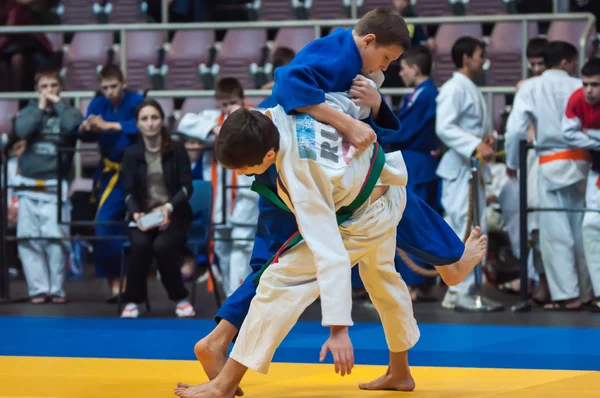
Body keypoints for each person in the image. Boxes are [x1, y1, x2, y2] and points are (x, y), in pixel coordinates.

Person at [184, 8, 475, 394]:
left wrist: (339, 329)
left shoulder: (301, 175)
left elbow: (331, 254)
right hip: (380, 192)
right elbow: (341, 103)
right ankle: (402, 368)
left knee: (279, 280)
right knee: (384, 280)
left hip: (367, 210)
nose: (244, 176)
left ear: (268, 158)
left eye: (247, 169)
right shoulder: (280, 114)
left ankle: (225, 380)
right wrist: (369, 108)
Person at [505, 41, 591, 311]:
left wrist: (512, 162)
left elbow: (515, 130)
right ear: (565, 61)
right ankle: (589, 293)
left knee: (556, 234)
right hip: (584, 163)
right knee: (583, 231)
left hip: (550, 161)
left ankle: (568, 295)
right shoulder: (582, 85)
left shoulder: (532, 86)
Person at [178, 77, 259, 296]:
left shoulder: (256, 117)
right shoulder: (214, 119)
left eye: (232, 102)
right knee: (222, 247)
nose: (228, 108)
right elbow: (184, 123)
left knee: (242, 245)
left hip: (246, 195)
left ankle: (237, 296)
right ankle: (229, 298)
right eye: (223, 104)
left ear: (242, 100)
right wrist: (214, 128)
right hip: (220, 197)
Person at [119, 99, 196, 318]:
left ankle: (180, 297)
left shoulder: (177, 149)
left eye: (154, 117)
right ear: (137, 124)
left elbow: (187, 187)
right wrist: (136, 212)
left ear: (161, 120)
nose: (150, 123)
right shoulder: (131, 154)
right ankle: (133, 299)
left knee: (162, 246)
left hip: (175, 214)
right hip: (143, 215)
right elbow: (127, 192)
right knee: (141, 245)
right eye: (144, 119)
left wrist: (168, 208)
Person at [14, 68, 83, 303]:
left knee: (56, 239)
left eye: (53, 86)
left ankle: (56, 288)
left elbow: (76, 126)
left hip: (55, 183)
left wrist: (58, 104)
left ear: (60, 88)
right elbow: (21, 131)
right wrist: (41, 108)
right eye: (44, 87)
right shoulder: (29, 111)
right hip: (29, 182)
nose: (49, 91)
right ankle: (38, 289)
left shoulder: (68, 111)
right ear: (36, 90)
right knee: (28, 238)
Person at [435, 36, 493, 310]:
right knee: (462, 227)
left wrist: (485, 139)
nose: (484, 60)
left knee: (473, 229)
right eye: (480, 54)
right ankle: (459, 292)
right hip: (460, 170)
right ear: (467, 57)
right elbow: (444, 127)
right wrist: (474, 144)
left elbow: (469, 127)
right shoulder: (454, 88)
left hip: (471, 168)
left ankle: (461, 291)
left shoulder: (470, 87)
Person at [77, 65, 144, 301]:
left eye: (114, 86)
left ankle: (135, 283)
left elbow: (146, 125)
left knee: (143, 229)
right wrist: (86, 128)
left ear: (123, 83)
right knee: (104, 226)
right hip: (110, 175)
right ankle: (116, 282)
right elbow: (86, 135)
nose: (110, 92)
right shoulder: (97, 105)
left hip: (140, 174)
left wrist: (111, 126)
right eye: (105, 87)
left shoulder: (137, 100)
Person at [389, 46, 441, 301]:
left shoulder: (427, 94)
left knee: (413, 222)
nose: (400, 73)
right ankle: (416, 282)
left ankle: (416, 283)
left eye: (403, 68)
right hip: (412, 161)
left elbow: (406, 132)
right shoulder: (418, 94)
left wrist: (376, 134)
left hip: (417, 163)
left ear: (415, 68)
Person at [562, 57, 600, 311]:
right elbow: (567, 134)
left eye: (595, 85)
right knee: (591, 226)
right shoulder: (577, 98)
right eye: (586, 83)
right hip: (596, 171)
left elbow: (578, 135)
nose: (588, 90)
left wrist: (589, 136)